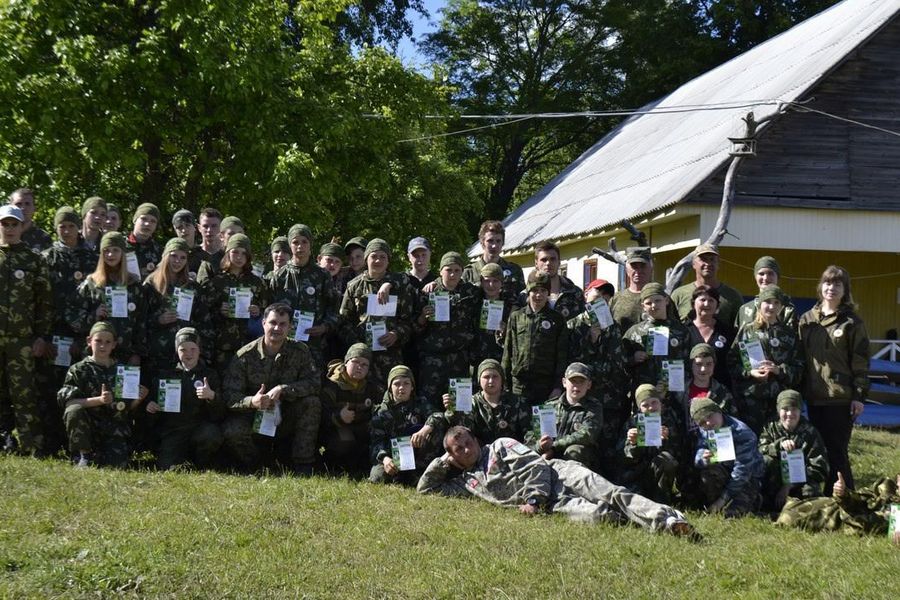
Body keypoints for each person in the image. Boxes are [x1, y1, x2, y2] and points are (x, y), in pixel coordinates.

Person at [418, 426, 699, 539]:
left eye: (468, 442)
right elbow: (426, 490)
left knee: (612, 494)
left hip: (559, 475)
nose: (467, 449)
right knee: (601, 517)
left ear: (476, 439)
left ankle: (668, 521)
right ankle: (640, 522)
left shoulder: (500, 446)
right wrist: (442, 462)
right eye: (458, 449)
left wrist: (533, 500)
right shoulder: (467, 483)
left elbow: (534, 466)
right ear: (453, 456)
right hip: (554, 504)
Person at [221, 303, 321, 474]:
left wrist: (284, 389)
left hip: (286, 415)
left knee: (312, 403)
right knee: (232, 430)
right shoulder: (245, 356)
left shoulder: (300, 351)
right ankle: (256, 465)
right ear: (263, 323)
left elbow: (314, 383)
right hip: (254, 417)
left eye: (283, 324)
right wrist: (252, 401)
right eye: (273, 323)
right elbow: (229, 395)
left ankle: (302, 464)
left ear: (290, 327)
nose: (277, 328)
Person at [798, 265, 869, 495]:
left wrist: (859, 396)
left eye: (838, 284)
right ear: (821, 287)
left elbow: (861, 362)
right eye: (828, 283)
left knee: (837, 452)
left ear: (845, 290)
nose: (831, 288)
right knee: (818, 451)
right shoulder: (806, 319)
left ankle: (846, 500)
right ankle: (825, 497)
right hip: (813, 397)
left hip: (840, 397)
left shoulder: (852, 323)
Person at [39, 206, 99, 452]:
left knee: (80, 390)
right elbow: (39, 299)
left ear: (78, 227)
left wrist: (84, 337)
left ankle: (78, 443)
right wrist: (42, 337)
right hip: (53, 335)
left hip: (82, 336)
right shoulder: (47, 258)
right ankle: (51, 442)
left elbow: (96, 299)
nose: (66, 231)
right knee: (51, 389)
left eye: (71, 226)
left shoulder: (91, 259)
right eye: (62, 226)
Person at [58, 321, 149, 467]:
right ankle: (83, 455)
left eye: (108, 342)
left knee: (117, 466)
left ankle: (100, 454)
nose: (102, 346)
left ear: (114, 345)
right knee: (73, 411)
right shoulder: (78, 370)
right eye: (98, 341)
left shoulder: (123, 370)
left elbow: (128, 408)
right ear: (89, 341)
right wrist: (99, 400)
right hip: (88, 427)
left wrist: (138, 399)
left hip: (114, 429)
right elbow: (69, 402)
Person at [0, 205, 53, 455]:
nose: (9, 229)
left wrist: (41, 336)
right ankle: (4, 440)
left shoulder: (34, 259)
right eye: (5, 224)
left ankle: (32, 445)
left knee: (24, 394)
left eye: (14, 224)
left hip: (22, 340)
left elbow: (45, 303)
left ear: (22, 227)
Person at [567, 278, 630, 470]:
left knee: (608, 448)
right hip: (584, 397)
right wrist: (591, 341)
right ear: (586, 295)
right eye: (597, 294)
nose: (601, 299)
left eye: (606, 296)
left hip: (609, 398)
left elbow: (618, 363)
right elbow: (572, 363)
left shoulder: (613, 327)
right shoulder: (573, 325)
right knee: (584, 444)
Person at [144, 327, 225, 470]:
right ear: (177, 351)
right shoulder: (166, 375)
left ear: (199, 350)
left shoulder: (209, 375)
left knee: (211, 435)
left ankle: (201, 463)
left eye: (193, 349)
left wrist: (211, 397)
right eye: (183, 350)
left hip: (199, 428)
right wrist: (150, 406)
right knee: (167, 467)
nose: (188, 354)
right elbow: (153, 406)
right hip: (173, 431)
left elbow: (220, 414)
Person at [728, 285, 803, 435]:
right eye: (767, 302)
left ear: (781, 306)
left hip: (779, 402)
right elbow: (732, 362)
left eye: (776, 303)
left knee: (777, 441)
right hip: (751, 401)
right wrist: (750, 372)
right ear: (759, 304)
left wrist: (778, 370)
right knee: (752, 440)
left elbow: (799, 369)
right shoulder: (747, 331)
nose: (771, 307)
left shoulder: (789, 334)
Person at [339, 238, 415, 384]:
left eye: (383, 257)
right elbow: (343, 321)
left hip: (390, 355)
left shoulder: (400, 285)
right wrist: (358, 345)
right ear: (366, 259)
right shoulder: (354, 286)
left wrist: (396, 334)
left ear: (388, 260)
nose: (378, 261)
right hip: (361, 359)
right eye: (374, 256)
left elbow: (409, 320)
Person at [267, 224, 340, 369]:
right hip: (284, 343)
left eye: (304, 242)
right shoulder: (280, 276)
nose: (300, 246)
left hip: (314, 344)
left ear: (310, 244)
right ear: (290, 245)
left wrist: (324, 326)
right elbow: (268, 308)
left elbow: (334, 307)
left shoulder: (322, 275)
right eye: (295, 242)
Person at [413, 252, 480, 404]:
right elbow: (415, 328)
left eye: (457, 270)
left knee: (459, 405)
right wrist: (423, 317)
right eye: (448, 270)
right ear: (440, 271)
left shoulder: (471, 292)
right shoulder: (428, 292)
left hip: (460, 360)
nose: (453, 274)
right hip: (433, 359)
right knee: (429, 404)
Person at [70, 231, 145, 365]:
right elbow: (72, 315)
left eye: (115, 250)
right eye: (106, 251)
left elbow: (142, 321)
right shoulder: (91, 283)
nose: (111, 255)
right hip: (96, 356)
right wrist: (94, 315)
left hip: (126, 356)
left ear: (122, 253)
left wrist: (137, 352)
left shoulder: (133, 284)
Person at [141, 237, 214, 374]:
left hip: (187, 358)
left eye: (182, 258)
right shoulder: (151, 285)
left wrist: (203, 355)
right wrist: (158, 319)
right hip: (157, 357)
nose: (177, 261)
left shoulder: (192, 288)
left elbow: (204, 323)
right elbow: (139, 320)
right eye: (173, 256)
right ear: (165, 256)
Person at [423, 358, 531, 445]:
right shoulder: (470, 402)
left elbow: (529, 433)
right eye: (486, 377)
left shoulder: (517, 402)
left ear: (502, 379)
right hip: (478, 455)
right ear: (479, 380)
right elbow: (462, 431)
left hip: (512, 453)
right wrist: (452, 410)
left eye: (495, 377)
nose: (491, 381)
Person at [690, 397, 764, 517]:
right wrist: (703, 458)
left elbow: (742, 471)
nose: (708, 423)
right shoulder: (705, 430)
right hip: (724, 472)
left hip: (747, 478)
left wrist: (722, 500)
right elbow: (700, 450)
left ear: (718, 411)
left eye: (710, 416)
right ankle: (715, 502)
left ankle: (755, 499)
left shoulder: (741, 432)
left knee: (730, 515)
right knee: (708, 473)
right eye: (702, 422)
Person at [205, 233, 269, 374]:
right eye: (235, 252)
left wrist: (257, 311)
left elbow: (268, 311)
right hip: (223, 345)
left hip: (250, 344)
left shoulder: (257, 282)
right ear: (228, 253)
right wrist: (219, 311)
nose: (239, 257)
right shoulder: (217, 282)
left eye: (243, 253)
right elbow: (205, 312)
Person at [501, 271, 567, 406]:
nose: (538, 295)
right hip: (519, 385)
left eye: (543, 291)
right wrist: (504, 383)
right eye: (535, 290)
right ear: (528, 292)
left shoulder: (557, 319)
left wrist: (557, 386)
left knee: (542, 419)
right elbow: (508, 352)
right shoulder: (516, 317)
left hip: (545, 386)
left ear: (548, 293)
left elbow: (562, 355)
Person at [368, 365, 441, 485]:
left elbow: (438, 415)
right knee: (377, 478)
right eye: (396, 384)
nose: (401, 387)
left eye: (406, 383)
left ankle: (418, 471)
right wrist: (385, 459)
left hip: (417, 454)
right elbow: (376, 442)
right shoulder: (381, 412)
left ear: (412, 387)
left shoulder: (420, 403)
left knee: (436, 428)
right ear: (390, 387)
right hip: (393, 456)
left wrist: (424, 430)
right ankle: (400, 474)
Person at [758, 390, 828, 511]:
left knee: (811, 492)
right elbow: (759, 451)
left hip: (799, 483)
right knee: (767, 461)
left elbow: (820, 468)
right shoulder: (770, 427)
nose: (789, 414)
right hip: (774, 481)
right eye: (785, 409)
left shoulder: (810, 432)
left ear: (800, 411)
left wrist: (789, 485)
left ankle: (797, 509)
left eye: (794, 409)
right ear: (778, 410)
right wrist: (777, 446)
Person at [524, 362, 603, 470]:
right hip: (547, 456)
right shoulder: (548, 407)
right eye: (573, 381)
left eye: (581, 382)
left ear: (589, 385)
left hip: (578, 460)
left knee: (574, 450)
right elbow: (531, 436)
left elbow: (587, 435)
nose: (576, 386)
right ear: (564, 382)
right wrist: (540, 446)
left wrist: (554, 447)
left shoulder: (594, 407)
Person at [776, 472, 900, 540]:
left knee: (789, 517)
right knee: (792, 509)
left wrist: (844, 499)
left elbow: (863, 524)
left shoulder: (895, 512)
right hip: (834, 506)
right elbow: (861, 497)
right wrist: (843, 493)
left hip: (838, 519)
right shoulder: (886, 487)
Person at [320, 343, 381, 474]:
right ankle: (332, 466)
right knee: (344, 441)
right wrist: (338, 416)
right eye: (355, 362)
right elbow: (319, 415)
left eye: (364, 365)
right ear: (346, 362)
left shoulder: (371, 386)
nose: (359, 367)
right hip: (335, 430)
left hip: (361, 428)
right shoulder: (332, 385)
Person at [619, 384, 684, 504]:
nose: (651, 408)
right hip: (636, 475)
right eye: (645, 405)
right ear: (639, 408)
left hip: (657, 472)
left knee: (667, 460)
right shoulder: (632, 423)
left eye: (654, 402)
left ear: (660, 403)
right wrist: (633, 444)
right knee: (635, 503)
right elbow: (624, 458)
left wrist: (666, 440)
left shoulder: (669, 421)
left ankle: (662, 500)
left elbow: (678, 453)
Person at [621, 282, 690, 390]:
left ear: (666, 300)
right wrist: (633, 358)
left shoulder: (681, 330)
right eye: (648, 303)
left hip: (674, 390)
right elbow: (620, 362)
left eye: (658, 301)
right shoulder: (634, 332)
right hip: (645, 392)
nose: (653, 306)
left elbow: (690, 362)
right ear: (643, 306)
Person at [670, 343, 736, 437]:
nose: (703, 369)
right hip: (685, 443)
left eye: (709, 364)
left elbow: (733, 424)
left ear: (714, 365)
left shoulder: (722, 392)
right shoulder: (679, 392)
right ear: (691, 365)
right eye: (698, 364)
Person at [669, 243, 745, 326]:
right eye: (703, 259)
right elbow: (669, 325)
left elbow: (740, 328)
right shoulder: (679, 294)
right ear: (693, 264)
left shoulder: (732, 296)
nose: (708, 264)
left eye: (712, 259)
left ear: (718, 264)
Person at [684, 284, 734, 388]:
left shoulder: (727, 331)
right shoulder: (683, 330)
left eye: (711, 300)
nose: (706, 304)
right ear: (693, 304)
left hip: (721, 390)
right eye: (702, 300)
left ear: (717, 305)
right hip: (688, 389)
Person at [470, 262, 517, 368]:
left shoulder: (511, 305)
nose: (491, 285)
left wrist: (507, 330)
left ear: (502, 283)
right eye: (487, 281)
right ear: (481, 282)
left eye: (495, 281)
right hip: (477, 360)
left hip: (502, 360)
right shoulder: (473, 302)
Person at [460, 220, 525, 297]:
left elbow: (522, 300)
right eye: (490, 241)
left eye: (498, 241)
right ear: (482, 243)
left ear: (503, 243)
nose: (494, 246)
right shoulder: (469, 273)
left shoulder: (515, 271)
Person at [526, 240, 584, 319]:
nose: (548, 263)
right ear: (536, 263)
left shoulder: (575, 293)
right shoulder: (526, 295)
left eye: (552, 259)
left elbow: (585, 323)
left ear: (559, 262)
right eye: (544, 260)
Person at [735, 256, 797, 329]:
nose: (765, 278)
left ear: (777, 277)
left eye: (770, 273)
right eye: (761, 274)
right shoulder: (744, 309)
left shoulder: (787, 309)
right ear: (755, 277)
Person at [608, 247, 653, 331]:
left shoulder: (661, 299)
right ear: (627, 270)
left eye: (643, 266)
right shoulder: (616, 299)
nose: (638, 270)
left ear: (651, 268)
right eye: (634, 266)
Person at [196, 215, 244, 285]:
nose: (236, 237)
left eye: (239, 233)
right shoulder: (210, 264)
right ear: (221, 236)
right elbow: (202, 288)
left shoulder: (248, 261)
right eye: (231, 234)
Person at [125, 202, 163, 280]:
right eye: (143, 219)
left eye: (153, 221)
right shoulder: (120, 245)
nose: (147, 224)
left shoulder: (159, 251)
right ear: (135, 220)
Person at [8, 188, 52, 252]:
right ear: (10, 207)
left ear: (34, 208)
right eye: (18, 204)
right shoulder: (3, 234)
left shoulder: (44, 238)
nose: (23, 208)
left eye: (27, 204)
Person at [171, 209, 204, 279]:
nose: (184, 230)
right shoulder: (169, 255)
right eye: (179, 227)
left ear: (195, 227)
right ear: (175, 230)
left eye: (187, 225)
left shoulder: (204, 256)